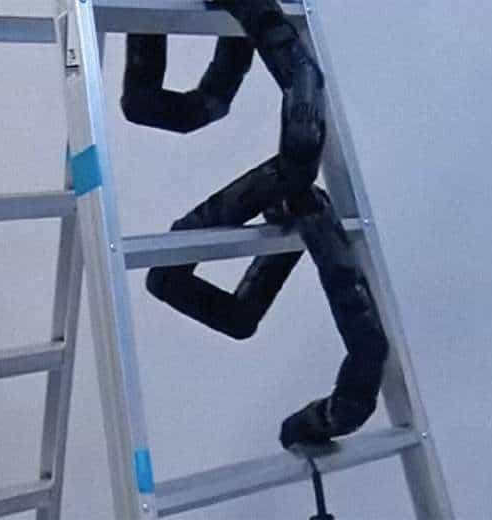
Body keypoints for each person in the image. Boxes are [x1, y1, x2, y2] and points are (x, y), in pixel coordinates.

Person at [120, 0, 389, 447]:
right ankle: (295, 214)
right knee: (172, 279)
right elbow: (169, 106)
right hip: (290, 178)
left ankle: (295, 213)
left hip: (292, 176)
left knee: (171, 278)